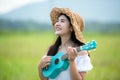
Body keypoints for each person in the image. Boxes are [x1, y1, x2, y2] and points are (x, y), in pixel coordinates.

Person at [38, 7, 93, 80]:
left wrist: (72, 61)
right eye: (57, 21)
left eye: (62, 21)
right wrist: (39, 67)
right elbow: (45, 79)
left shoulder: (81, 51)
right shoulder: (52, 49)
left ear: (71, 27)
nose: (57, 23)